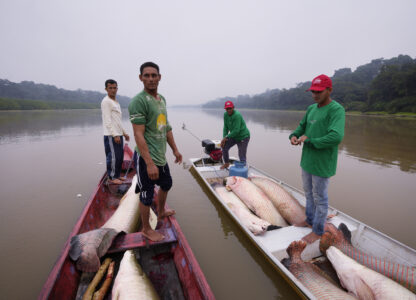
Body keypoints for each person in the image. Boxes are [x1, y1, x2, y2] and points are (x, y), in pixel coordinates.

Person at [128, 62, 182, 242]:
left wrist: (175, 150)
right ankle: (146, 229)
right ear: (140, 78)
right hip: (146, 157)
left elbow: (165, 127)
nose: (150, 79)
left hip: (160, 156)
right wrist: (149, 163)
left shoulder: (162, 100)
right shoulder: (139, 101)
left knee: (166, 184)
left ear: (159, 77)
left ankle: (160, 211)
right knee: (146, 193)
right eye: (147, 75)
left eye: (154, 75)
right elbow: (138, 134)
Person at [289, 74, 345, 244]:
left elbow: (336, 136)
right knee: (308, 193)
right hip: (307, 160)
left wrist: (311, 141)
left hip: (322, 163)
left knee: (320, 197)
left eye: (319, 91)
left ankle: (318, 230)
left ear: (329, 90)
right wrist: (294, 135)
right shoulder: (311, 108)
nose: (315, 95)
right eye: (313, 91)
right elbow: (302, 127)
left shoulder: (336, 110)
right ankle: (310, 219)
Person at [101, 79, 130, 185]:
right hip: (111, 135)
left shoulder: (116, 102)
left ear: (117, 88)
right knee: (112, 157)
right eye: (110, 88)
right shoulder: (106, 101)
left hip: (118, 134)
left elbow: (118, 121)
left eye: (115, 88)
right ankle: (112, 177)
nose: (113, 90)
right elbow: (108, 121)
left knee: (119, 156)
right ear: (106, 89)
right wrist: (114, 135)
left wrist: (124, 133)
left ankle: (117, 175)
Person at [220, 101, 250, 169]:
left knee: (241, 153)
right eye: (227, 109)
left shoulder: (237, 115)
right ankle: (226, 163)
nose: (229, 110)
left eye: (230, 108)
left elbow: (236, 130)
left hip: (243, 136)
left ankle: (243, 168)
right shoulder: (225, 115)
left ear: (233, 107)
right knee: (224, 147)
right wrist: (224, 138)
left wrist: (227, 137)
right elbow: (225, 127)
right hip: (233, 136)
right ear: (225, 109)